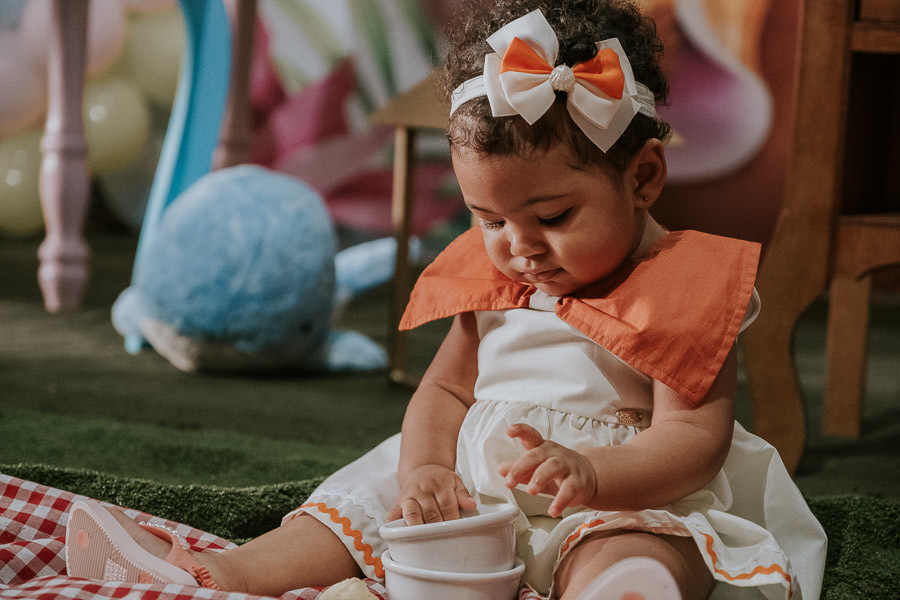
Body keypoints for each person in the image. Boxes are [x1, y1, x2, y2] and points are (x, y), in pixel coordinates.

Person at [64, 1, 827, 598]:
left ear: (644, 179)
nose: (520, 247)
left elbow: (694, 438)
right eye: (489, 219)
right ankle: (221, 574)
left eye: (553, 216)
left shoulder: (683, 283)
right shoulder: (500, 278)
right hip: (469, 489)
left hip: (610, 493)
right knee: (362, 505)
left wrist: (597, 474)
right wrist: (427, 469)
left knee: (641, 546)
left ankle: (620, 589)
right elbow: (445, 390)